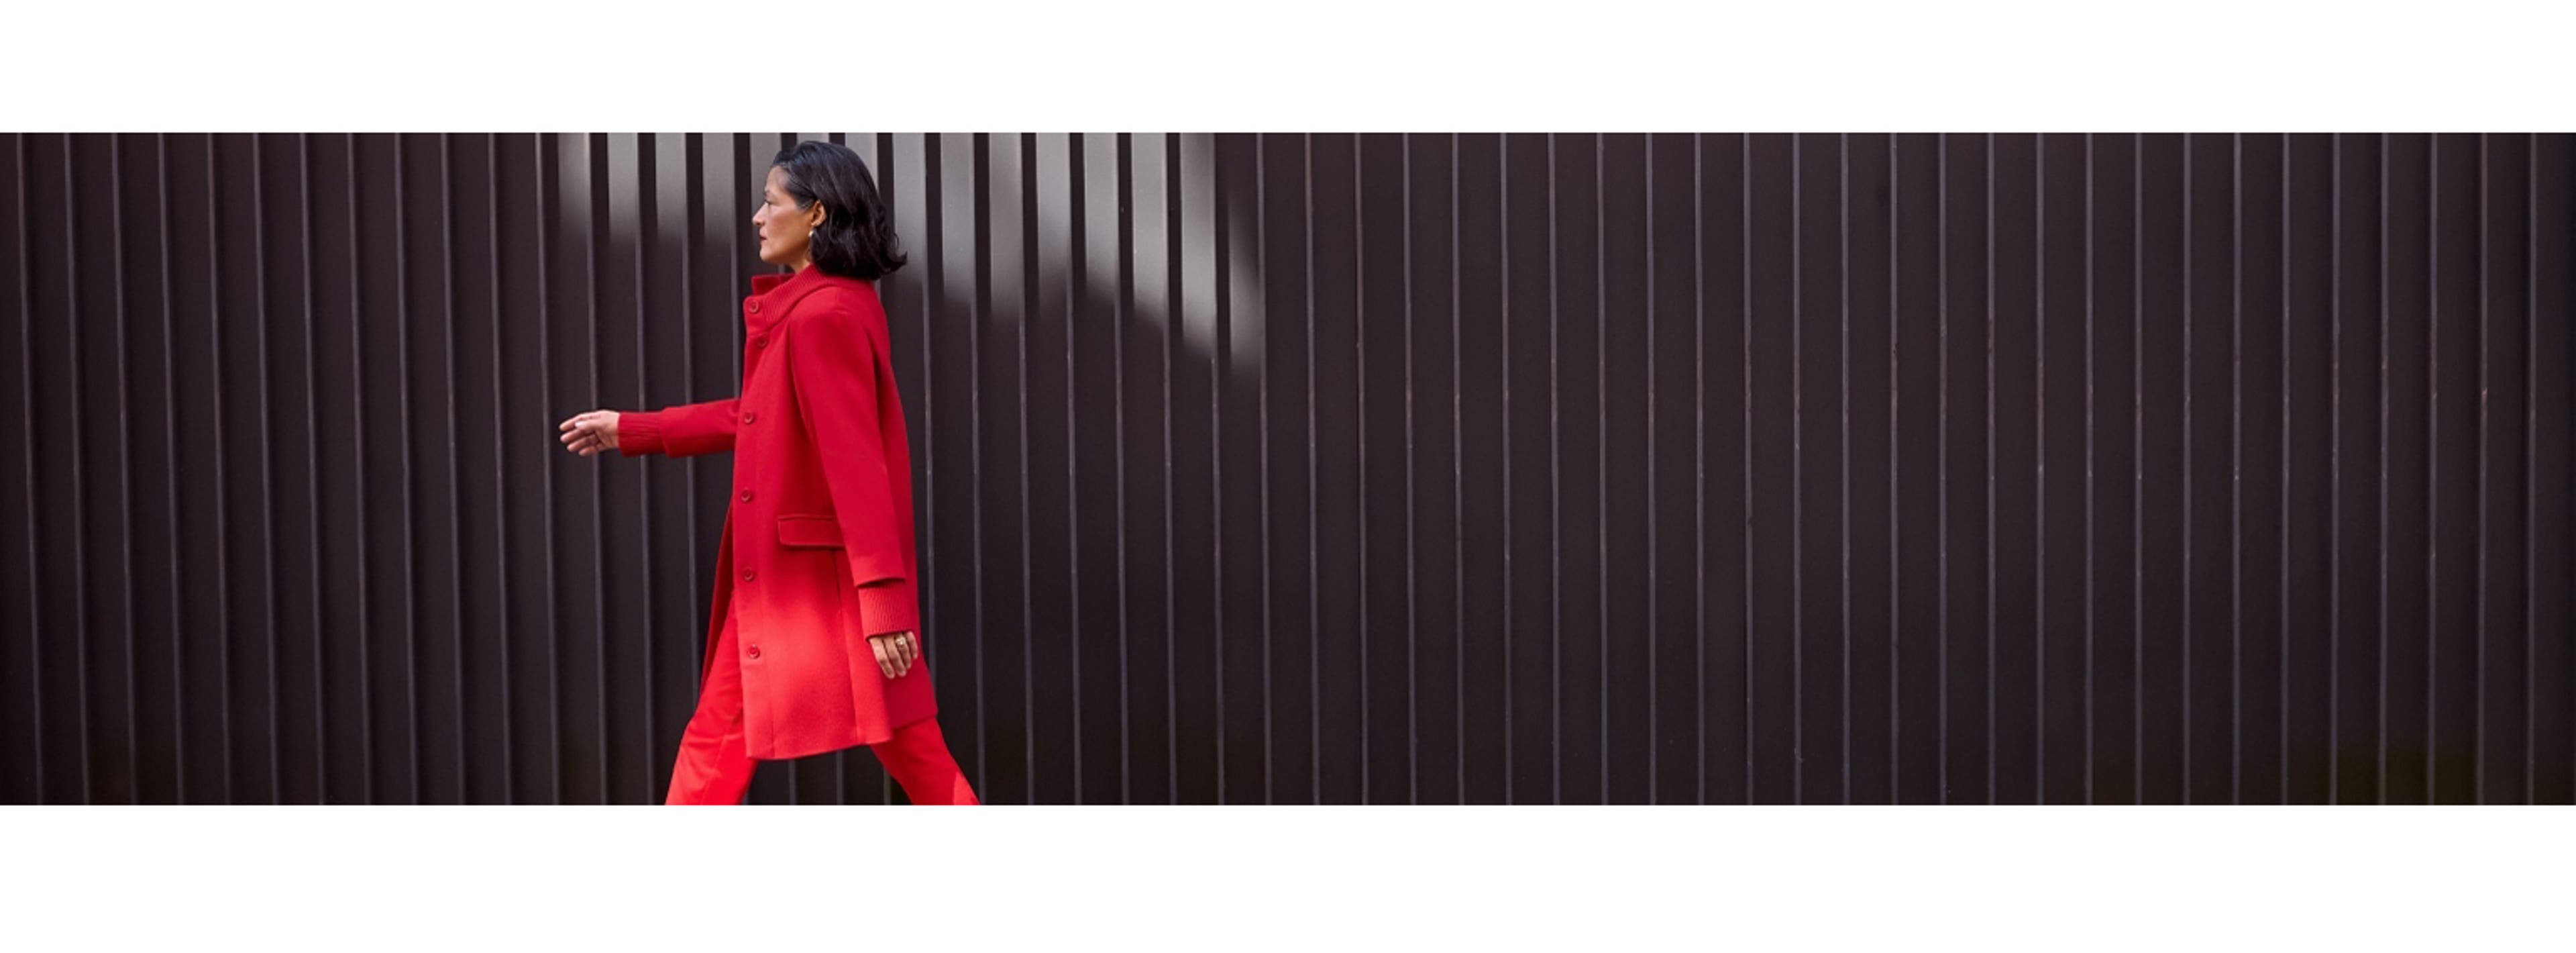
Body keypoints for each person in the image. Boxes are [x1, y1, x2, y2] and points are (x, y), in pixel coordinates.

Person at [556, 140, 977, 805]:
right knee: (890, 745)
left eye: (771, 202)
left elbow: (856, 465)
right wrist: (632, 429)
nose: (757, 216)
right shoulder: (830, 306)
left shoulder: (823, 317)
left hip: (807, 586)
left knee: (883, 744)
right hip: (807, 584)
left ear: (815, 216)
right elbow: (758, 417)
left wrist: (884, 598)